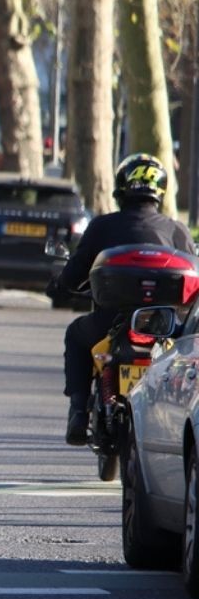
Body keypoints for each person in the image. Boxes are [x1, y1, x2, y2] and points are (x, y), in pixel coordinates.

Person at [49, 153, 194, 446]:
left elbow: (75, 271)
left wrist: (60, 287)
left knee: (76, 336)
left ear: (120, 188)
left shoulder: (102, 226)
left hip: (109, 321)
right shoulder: (176, 230)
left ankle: (78, 411)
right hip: (163, 327)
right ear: (160, 190)